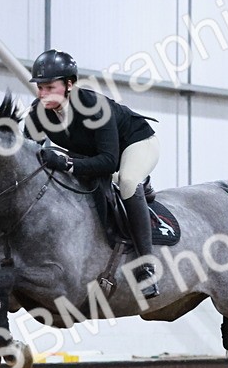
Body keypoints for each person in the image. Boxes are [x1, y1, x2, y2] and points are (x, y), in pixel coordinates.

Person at [24, 49, 161, 299]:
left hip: (135, 143)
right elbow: (27, 151)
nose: (43, 94)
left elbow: (109, 162)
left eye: (49, 87)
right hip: (95, 153)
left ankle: (147, 267)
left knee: (128, 181)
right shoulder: (38, 112)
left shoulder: (94, 107)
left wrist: (67, 163)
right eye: (40, 88)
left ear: (69, 84)